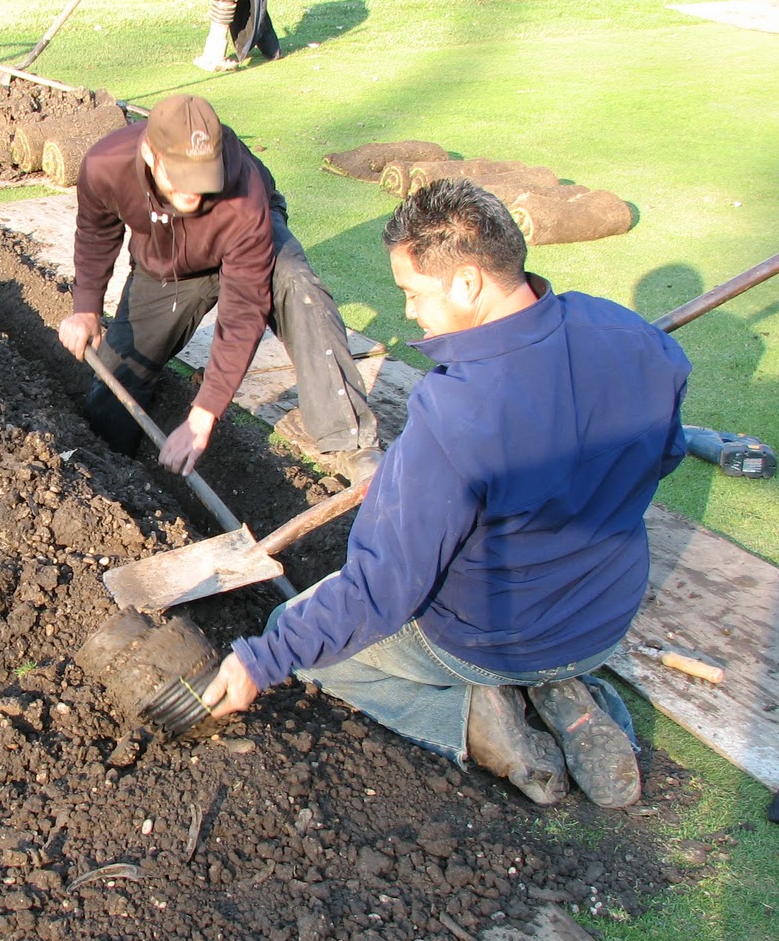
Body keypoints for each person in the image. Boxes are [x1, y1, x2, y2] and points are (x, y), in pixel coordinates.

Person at [197, 178, 693, 808]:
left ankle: (474, 719)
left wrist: (263, 659)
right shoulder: (632, 336)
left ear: (466, 283)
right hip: (602, 618)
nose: (408, 311)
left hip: (487, 640)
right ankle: (564, 689)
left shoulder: (456, 412)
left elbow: (382, 589)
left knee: (303, 636)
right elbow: (666, 456)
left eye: (412, 292)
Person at [56, 93, 380, 480]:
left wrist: (203, 415)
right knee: (116, 379)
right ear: (149, 155)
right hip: (168, 262)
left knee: (297, 285)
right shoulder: (106, 165)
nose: (193, 193)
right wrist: (86, 307)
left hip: (246, 242)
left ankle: (351, 440)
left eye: (202, 179)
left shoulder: (243, 194)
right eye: (180, 180)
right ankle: (113, 475)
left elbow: (243, 311)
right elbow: (96, 233)